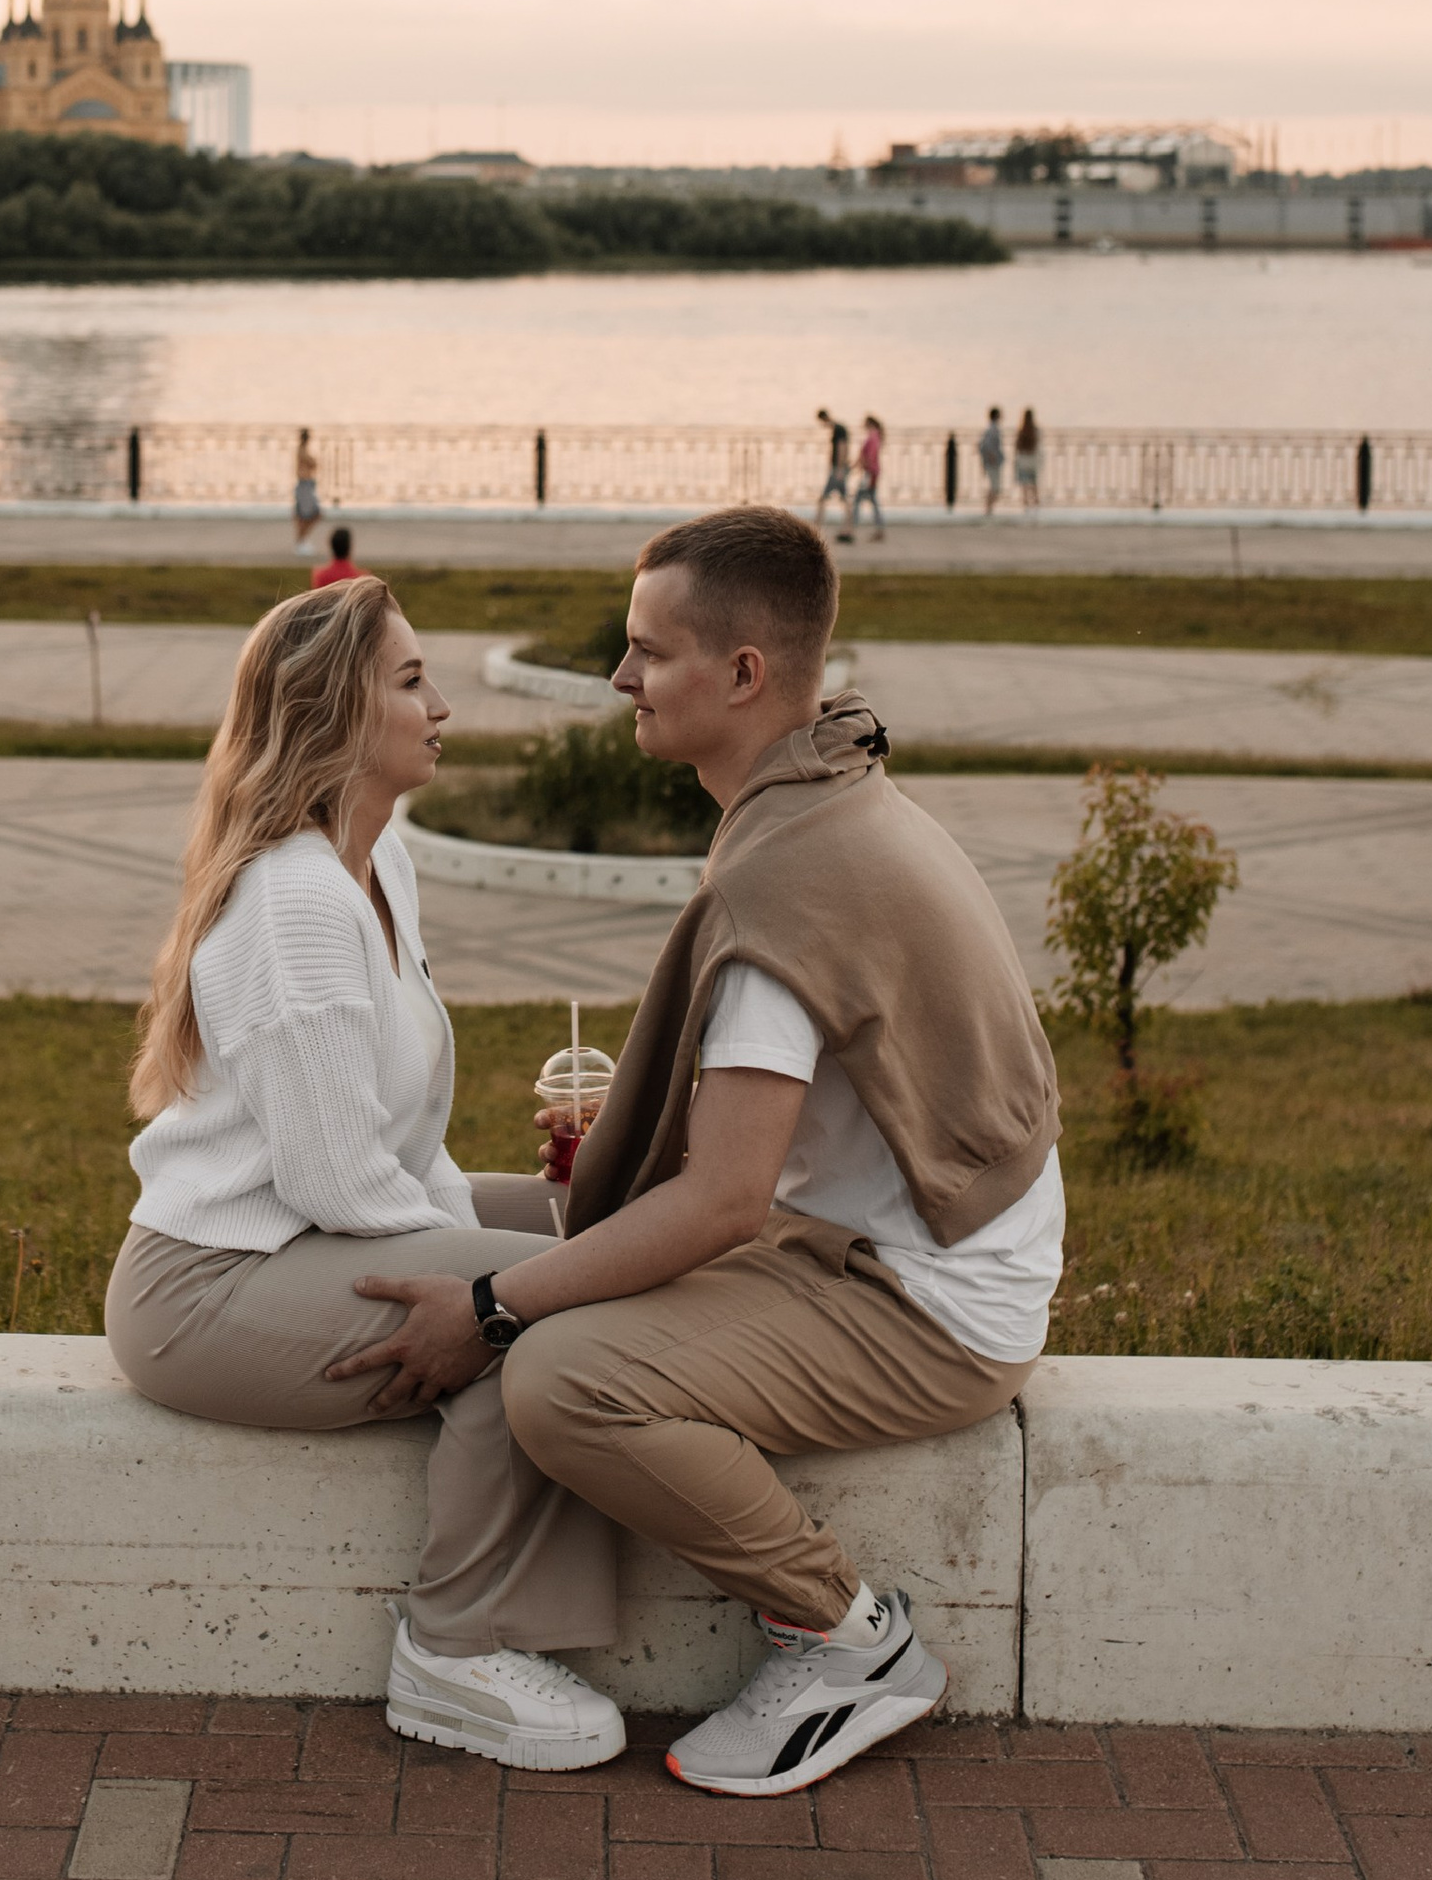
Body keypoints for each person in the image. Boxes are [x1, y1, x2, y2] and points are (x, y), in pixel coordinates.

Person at [327, 506, 1062, 1801]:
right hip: (913, 1242)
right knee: (572, 1258)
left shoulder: (784, 885)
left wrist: (489, 1309)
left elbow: (723, 1197)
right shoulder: (840, 800)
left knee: (559, 1377)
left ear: (743, 673)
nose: (620, 679)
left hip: (929, 1302)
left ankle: (844, 1637)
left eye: (647, 651)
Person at [105, 573, 627, 1771]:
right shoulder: (293, 902)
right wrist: (504, 1280)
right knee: (547, 1300)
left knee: (593, 1225)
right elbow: (343, 1183)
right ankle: (451, 1653)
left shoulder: (377, 865)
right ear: (337, 715)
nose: (441, 705)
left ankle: (507, 1617)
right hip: (212, 1284)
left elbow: (391, 1153)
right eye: (409, 681)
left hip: (309, 1229)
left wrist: (529, 1235)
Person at [812, 410, 851, 537]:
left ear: (824, 419)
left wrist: (839, 469)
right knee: (844, 499)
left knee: (823, 498)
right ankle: (847, 529)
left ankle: (816, 528)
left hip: (837, 470)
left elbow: (842, 448)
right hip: (839, 469)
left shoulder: (838, 429)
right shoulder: (838, 428)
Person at [850, 414, 886, 545]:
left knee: (858, 501)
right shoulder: (875, 436)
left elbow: (870, 456)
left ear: (869, 423)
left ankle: (852, 530)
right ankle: (879, 530)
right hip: (870, 473)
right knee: (872, 502)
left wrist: (864, 468)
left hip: (869, 474)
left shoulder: (873, 436)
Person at [291, 429, 323, 554]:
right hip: (304, 485)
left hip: (306, 485)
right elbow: (312, 463)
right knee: (307, 515)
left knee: (307, 515)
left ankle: (302, 540)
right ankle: (301, 541)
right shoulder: (302, 451)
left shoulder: (302, 450)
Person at [976, 406, 1006, 518]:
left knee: (994, 487)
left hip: (992, 462)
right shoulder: (993, 429)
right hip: (993, 463)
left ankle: (989, 509)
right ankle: (988, 510)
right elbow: (985, 446)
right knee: (995, 487)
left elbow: (982, 446)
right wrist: (992, 456)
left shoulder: (991, 428)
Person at [1012, 408, 1043, 512]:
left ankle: (1026, 507)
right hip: (1032, 462)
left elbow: (1017, 447)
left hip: (1023, 461)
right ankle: (1036, 506)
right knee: (1034, 485)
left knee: (1025, 486)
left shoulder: (1021, 431)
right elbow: (1038, 446)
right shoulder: (1035, 430)